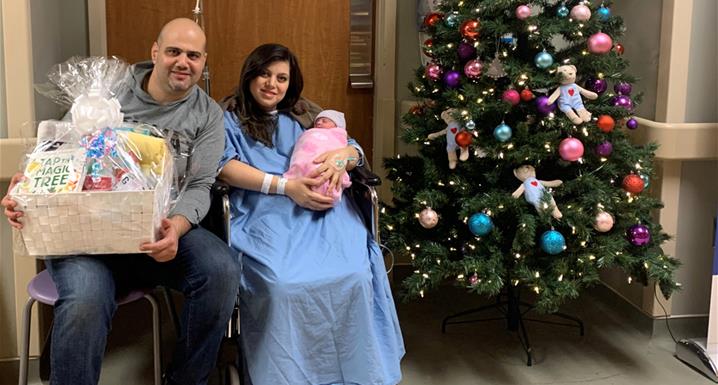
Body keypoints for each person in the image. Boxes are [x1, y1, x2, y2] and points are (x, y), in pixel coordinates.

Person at [1, 18, 240, 385]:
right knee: (85, 302)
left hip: (156, 234)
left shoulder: (207, 115)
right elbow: (56, 155)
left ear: (203, 61)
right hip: (87, 239)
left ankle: (186, 379)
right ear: (155, 52)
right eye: (174, 51)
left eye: (193, 56)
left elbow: (200, 185)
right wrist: (28, 188)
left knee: (221, 271)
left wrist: (175, 228)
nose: (183, 62)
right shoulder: (104, 96)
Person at [218, 43, 405, 385]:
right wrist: (285, 188)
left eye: (281, 77)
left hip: (325, 213)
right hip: (265, 210)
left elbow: (351, 147)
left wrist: (345, 155)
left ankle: (356, 372)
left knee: (355, 275)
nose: (271, 84)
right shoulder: (228, 116)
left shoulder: (305, 113)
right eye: (263, 74)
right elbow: (224, 168)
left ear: (292, 82)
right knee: (282, 284)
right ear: (249, 75)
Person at [283, 109, 352, 203]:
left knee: (324, 172)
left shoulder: (338, 134)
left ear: (337, 125)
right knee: (303, 164)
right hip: (305, 161)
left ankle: (325, 189)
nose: (319, 123)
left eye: (324, 121)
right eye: (317, 121)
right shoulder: (309, 132)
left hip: (326, 163)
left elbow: (352, 154)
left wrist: (345, 155)